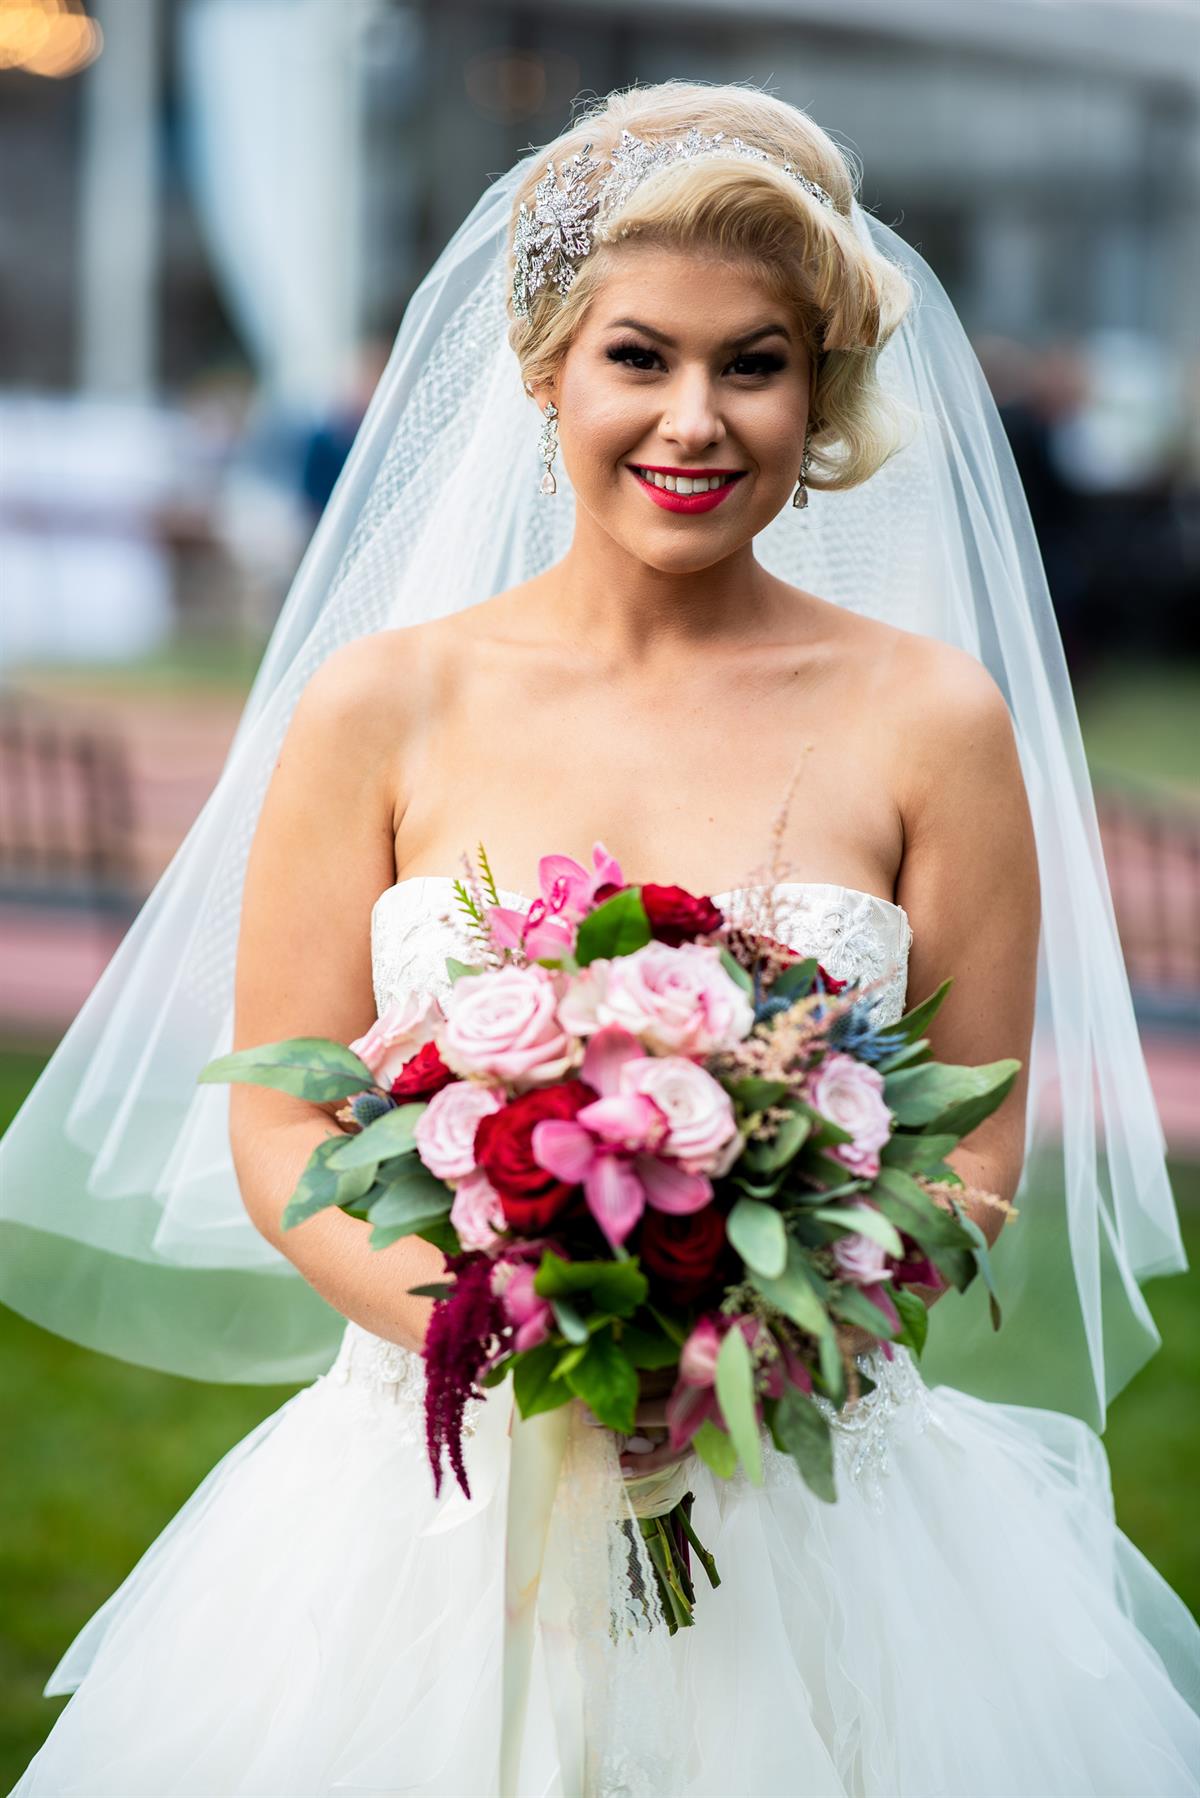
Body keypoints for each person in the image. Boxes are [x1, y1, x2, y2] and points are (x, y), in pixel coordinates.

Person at [6, 81, 1200, 1796]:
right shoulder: (381, 706)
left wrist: (739, 1345)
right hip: (429, 1501)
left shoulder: (934, 721)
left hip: (806, 1493)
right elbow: (277, 1123)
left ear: (822, 390)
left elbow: (978, 1145)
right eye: (641, 356)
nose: (695, 420)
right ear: (546, 369)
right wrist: (525, 1345)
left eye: (755, 364)